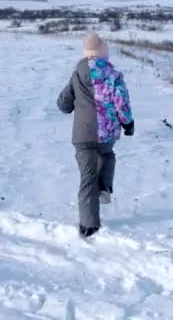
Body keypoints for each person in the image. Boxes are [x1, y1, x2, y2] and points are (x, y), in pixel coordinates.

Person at [57, 32, 134, 238]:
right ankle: (104, 188)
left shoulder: (76, 75)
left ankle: (88, 225)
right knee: (107, 156)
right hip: (106, 133)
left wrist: (74, 102)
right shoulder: (113, 76)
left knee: (87, 178)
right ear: (104, 53)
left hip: (83, 135)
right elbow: (122, 104)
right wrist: (128, 124)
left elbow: (63, 104)